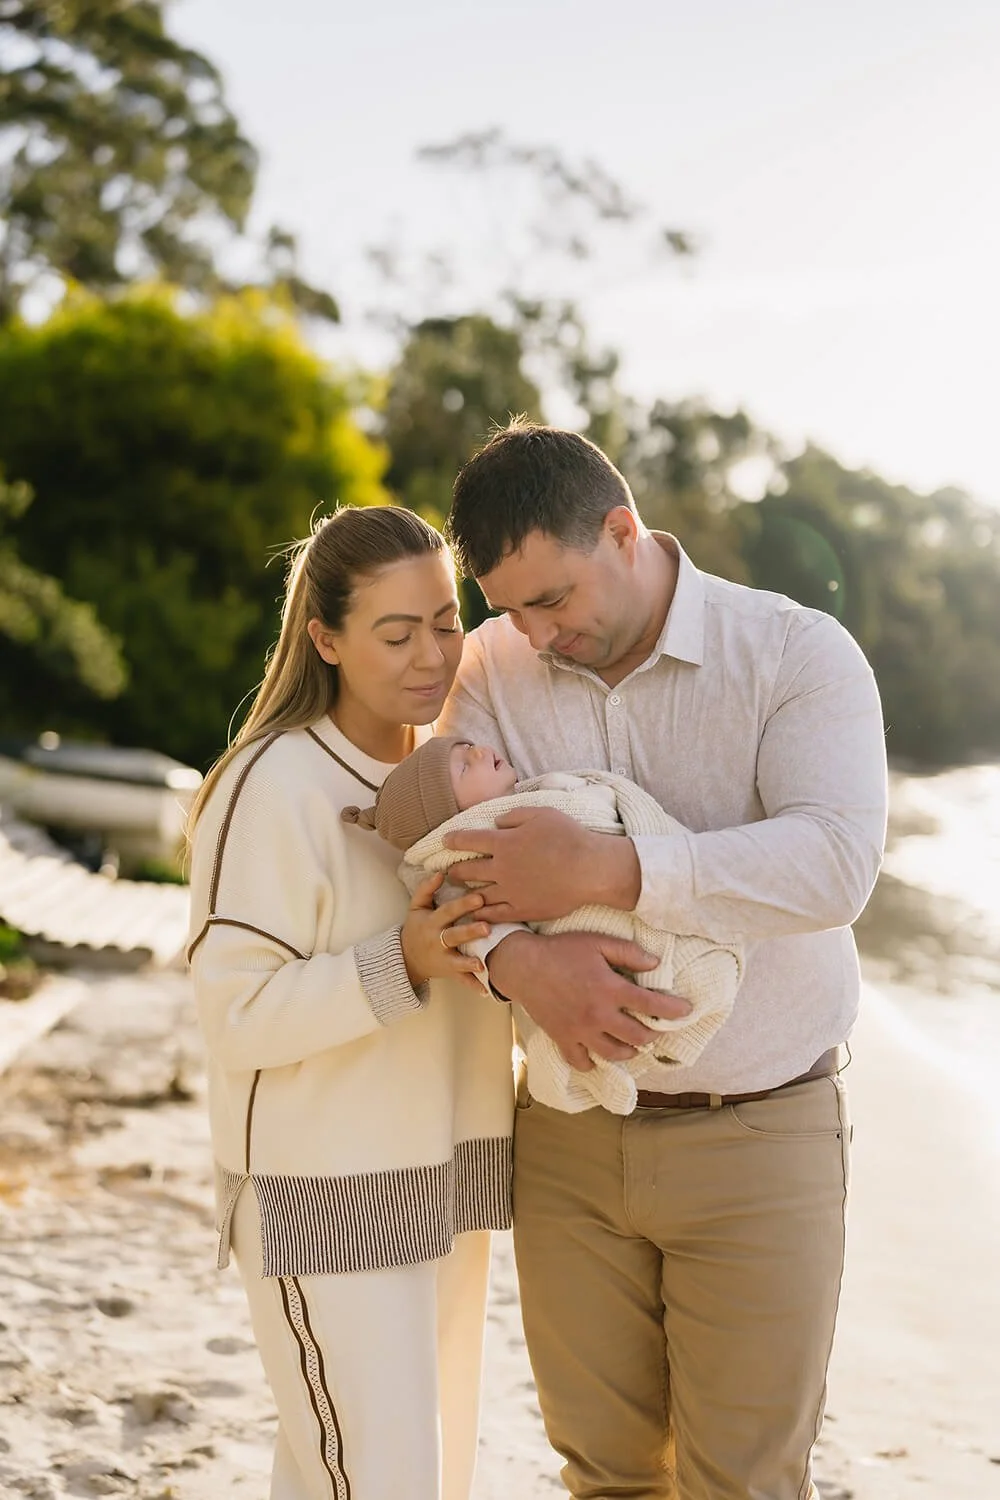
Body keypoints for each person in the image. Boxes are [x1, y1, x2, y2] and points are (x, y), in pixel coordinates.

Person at [435, 422, 888, 1500]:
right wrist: (516, 967)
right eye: (507, 608)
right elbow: (436, 859)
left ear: (622, 532)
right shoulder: (493, 665)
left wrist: (610, 869)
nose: (533, 634)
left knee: (745, 1480)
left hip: (760, 1134)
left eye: (552, 600)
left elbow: (833, 866)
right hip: (566, 1139)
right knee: (603, 1474)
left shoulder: (793, 653)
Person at [185, 506, 515, 1500]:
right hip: (321, 1203)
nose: (431, 655)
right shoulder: (270, 781)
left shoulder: (463, 774)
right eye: (395, 632)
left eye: (445, 622)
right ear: (325, 639)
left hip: (446, 1189)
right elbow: (232, 1014)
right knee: (380, 1482)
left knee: (405, 1478)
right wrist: (400, 960)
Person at [341, 735, 744, 1114]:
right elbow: (469, 914)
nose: (480, 751)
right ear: (452, 821)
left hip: (643, 915)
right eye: (464, 768)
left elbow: (595, 825)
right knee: (661, 977)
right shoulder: (465, 859)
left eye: (467, 747)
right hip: (609, 944)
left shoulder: (534, 796)